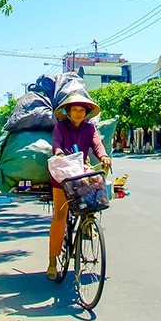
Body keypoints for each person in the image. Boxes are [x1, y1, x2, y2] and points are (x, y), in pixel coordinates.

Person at [47, 93, 111, 280]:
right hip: (62, 177)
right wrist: (58, 154)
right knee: (60, 217)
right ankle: (52, 261)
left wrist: (104, 156)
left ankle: (88, 223)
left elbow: (97, 145)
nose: (78, 113)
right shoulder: (60, 127)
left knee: (94, 198)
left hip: (81, 173)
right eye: (74, 110)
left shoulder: (89, 129)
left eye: (82, 110)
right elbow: (57, 145)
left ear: (86, 113)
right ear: (68, 112)